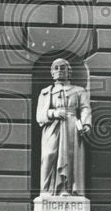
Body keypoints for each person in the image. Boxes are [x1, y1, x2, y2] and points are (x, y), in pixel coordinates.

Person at [36, 58, 92, 196]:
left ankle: (67, 189)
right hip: (52, 127)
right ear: (52, 73)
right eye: (56, 68)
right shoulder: (46, 92)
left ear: (69, 72)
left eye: (63, 68)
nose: (59, 71)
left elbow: (85, 108)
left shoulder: (79, 91)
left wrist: (85, 123)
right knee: (49, 155)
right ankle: (47, 191)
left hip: (72, 127)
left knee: (70, 158)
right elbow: (40, 114)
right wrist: (54, 113)